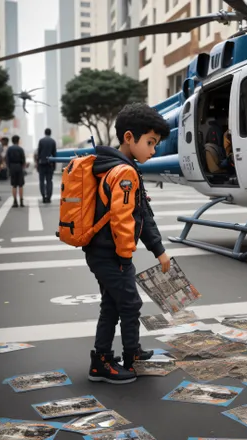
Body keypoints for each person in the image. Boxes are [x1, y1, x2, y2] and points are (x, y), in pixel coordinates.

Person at [85, 103, 171, 385]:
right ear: (130, 138)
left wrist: (158, 250)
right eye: (150, 142)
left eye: (155, 144)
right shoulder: (124, 172)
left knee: (112, 304)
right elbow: (124, 221)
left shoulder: (117, 166)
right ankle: (113, 359)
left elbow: (141, 214)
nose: (153, 150)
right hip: (111, 253)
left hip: (103, 251)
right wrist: (125, 258)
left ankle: (116, 355)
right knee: (130, 303)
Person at [37, 128, 57, 203]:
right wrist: (54, 165)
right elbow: (54, 154)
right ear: (50, 133)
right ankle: (48, 197)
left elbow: (38, 154)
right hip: (50, 164)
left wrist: (37, 164)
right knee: (49, 181)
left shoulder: (41, 141)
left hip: (42, 163)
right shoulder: (53, 141)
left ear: (44, 133)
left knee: (42, 181)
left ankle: (43, 196)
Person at [6, 135, 26, 208]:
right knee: (20, 185)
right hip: (19, 167)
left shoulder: (9, 149)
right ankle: (21, 201)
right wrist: (23, 167)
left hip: (12, 167)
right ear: (18, 141)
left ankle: (15, 201)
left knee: (14, 185)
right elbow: (23, 160)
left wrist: (9, 167)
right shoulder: (20, 149)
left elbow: (7, 160)